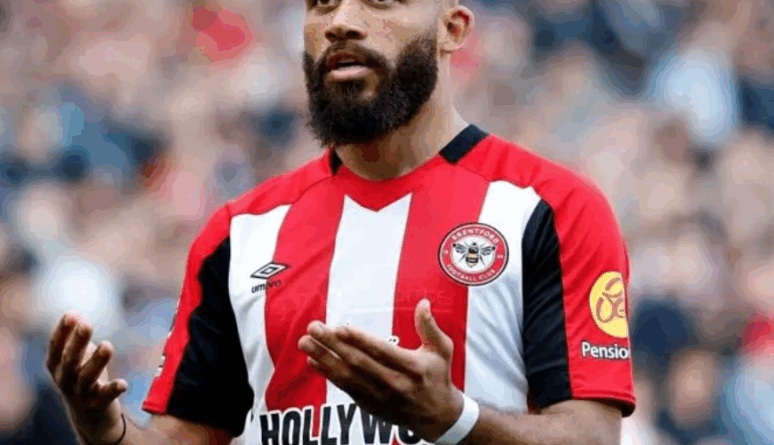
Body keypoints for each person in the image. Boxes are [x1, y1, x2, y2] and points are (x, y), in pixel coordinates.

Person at [46, 0, 636, 444]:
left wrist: (454, 419)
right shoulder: (241, 233)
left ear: (452, 29)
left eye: (380, 0)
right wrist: (107, 431)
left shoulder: (551, 209)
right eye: (322, 2)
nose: (342, 21)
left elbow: (591, 435)